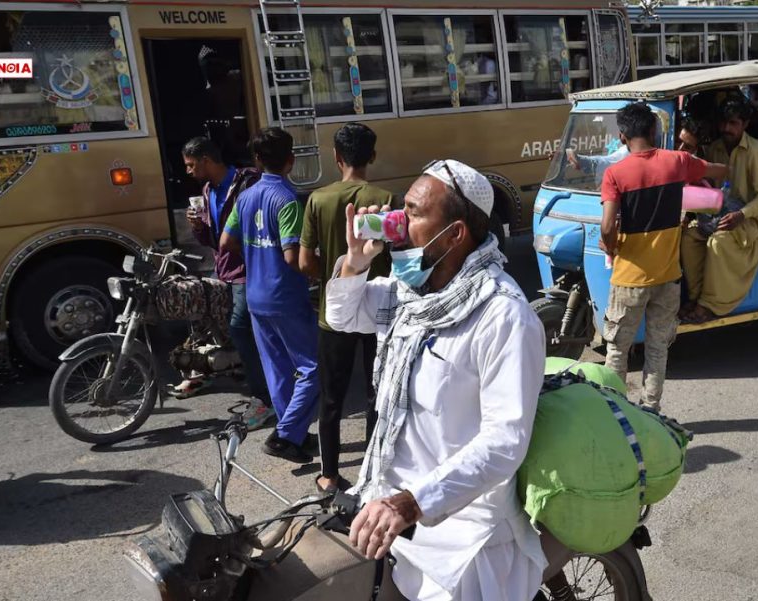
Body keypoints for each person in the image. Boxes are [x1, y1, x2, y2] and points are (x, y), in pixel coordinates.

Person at [325, 160, 547, 601]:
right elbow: (342, 314)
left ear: (456, 234)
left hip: (462, 532)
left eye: (413, 213)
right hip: (390, 506)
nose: (399, 225)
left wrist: (412, 502)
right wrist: (353, 262)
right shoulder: (411, 296)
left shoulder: (503, 315)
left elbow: (504, 441)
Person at [600, 103, 728, 411]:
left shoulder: (615, 173)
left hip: (629, 278)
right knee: (658, 349)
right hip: (668, 277)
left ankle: (616, 413)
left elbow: (607, 226)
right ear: (654, 131)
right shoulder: (678, 161)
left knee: (618, 349)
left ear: (622, 137)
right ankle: (651, 411)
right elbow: (716, 170)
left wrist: (612, 245)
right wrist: (725, 170)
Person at [298, 123, 393, 495]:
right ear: (371, 156)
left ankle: (329, 476)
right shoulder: (386, 198)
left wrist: (331, 273)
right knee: (376, 395)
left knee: (332, 398)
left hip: (334, 312)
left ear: (336, 158)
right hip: (377, 312)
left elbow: (305, 262)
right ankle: (373, 473)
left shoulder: (318, 200)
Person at [220, 128, 319, 464]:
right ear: (291, 160)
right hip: (285, 297)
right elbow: (293, 257)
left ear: (257, 160)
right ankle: (285, 435)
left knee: (277, 368)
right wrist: (323, 271)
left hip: (255, 295)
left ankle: (297, 435)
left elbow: (226, 242)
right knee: (313, 367)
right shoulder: (288, 200)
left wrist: (254, 252)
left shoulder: (245, 197)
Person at [181, 137, 274, 428]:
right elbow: (214, 239)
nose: (188, 171)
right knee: (201, 314)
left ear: (207, 160)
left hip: (247, 272)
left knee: (240, 329)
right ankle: (205, 372)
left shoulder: (248, 183)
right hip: (223, 270)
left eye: (191, 165)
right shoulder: (207, 190)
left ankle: (264, 399)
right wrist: (198, 228)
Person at [680, 100, 758, 324]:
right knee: (689, 238)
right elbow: (710, 186)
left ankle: (710, 305)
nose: (727, 128)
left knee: (718, 242)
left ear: (745, 124)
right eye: (724, 123)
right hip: (717, 215)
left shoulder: (757, 150)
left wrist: (741, 215)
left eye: (733, 123)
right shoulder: (715, 148)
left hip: (750, 220)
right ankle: (698, 297)